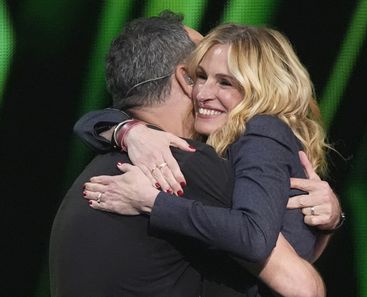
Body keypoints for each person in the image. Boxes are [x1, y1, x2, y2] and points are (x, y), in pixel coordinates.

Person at [49, 12, 335, 297]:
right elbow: (305, 286)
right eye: (201, 74)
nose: (205, 91)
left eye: (225, 80)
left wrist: (329, 218)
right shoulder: (185, 164)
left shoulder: (106, 158)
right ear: (186, 78)